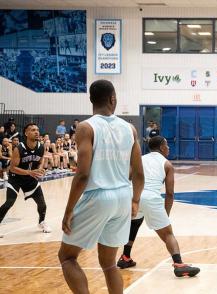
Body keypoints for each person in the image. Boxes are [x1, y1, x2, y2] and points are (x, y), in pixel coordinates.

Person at [58, 79, 145, 294]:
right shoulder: (130, 129)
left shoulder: (86, 127)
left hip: (98, 196)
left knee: (67, 257)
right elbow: (139, 172)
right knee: (109, 264)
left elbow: (82, 175)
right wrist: (135, 200)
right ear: (112, 99)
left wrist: (68, 210)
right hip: (123, 197)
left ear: (91, 100)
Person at [117, 136, 200, 278]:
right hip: (150, 197)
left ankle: (125, 257)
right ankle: (179, 264)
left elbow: (127, 178)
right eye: (167, 145)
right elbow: (170, 193)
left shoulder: (140, 159)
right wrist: (165, 214)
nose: (169, 148)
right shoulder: (167, 164)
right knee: (168, 234)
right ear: (162, 147)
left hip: (133, 195)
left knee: (135, 223)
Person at [0, 123, 51, 233]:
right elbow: (12, 168)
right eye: (33, 130)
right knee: (9, 202)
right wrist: (30, 172)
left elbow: (41, 161)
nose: (36, 132)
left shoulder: (41, 147)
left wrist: (40, 169)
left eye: (37, 130)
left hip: (30, 178)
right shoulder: (19, 148)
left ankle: (42, 222)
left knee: (42, 204)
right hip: (16, 178)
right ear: (26, 133)